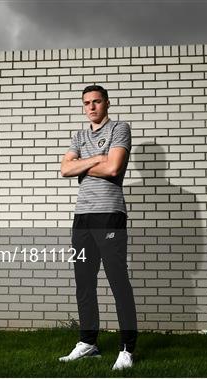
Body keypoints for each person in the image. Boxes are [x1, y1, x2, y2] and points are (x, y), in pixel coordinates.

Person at [59, 85, 138, 370]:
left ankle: (127, 348)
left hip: (110, 214)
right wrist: (96, 160)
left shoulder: (120, 128)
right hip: (82, 217)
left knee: (118, 282)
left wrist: (81, 163)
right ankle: (88, 343)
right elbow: (64, 169)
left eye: (96, 102)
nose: (91, 107)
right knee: (84, 282)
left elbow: (114, 168)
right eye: (86, 103)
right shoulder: (79, 135)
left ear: (106, 103)